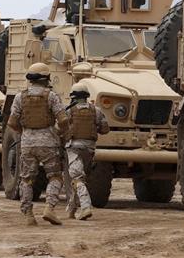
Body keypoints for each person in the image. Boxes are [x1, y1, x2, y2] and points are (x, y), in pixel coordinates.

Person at [7, 63, 68, 226]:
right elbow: (63, 119)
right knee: (55, 177)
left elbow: (12, 122)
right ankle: (49, 209)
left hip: (27, 144)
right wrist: (61, 133)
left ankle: (28, 215)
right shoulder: (52, 96)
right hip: (48, 143)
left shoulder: (20, 97)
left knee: (26, 179)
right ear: (46, 78)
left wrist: (25, 132)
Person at [64, 83, 109, 220]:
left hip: (73, 148)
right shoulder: (96, 110)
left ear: (73, 96)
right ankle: (71, 210)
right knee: (79, 179)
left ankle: (85, 207)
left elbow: (60, 129)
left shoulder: (69, 111)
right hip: (89, 149)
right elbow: (105, 129)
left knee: (77, 179)